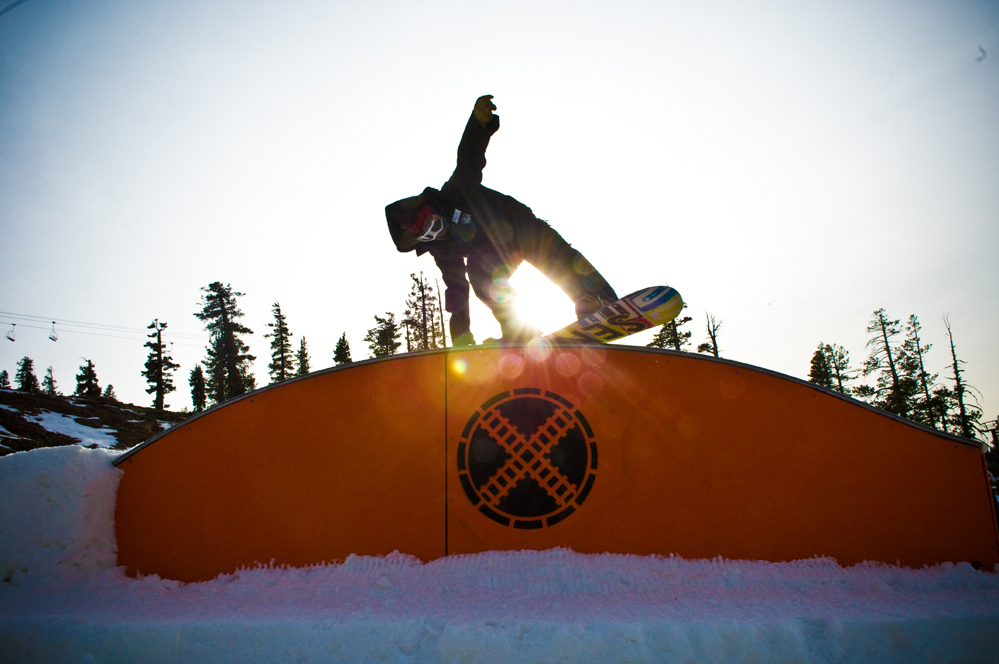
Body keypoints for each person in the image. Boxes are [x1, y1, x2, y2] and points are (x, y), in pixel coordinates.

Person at [385, 95, 617, 346]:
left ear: (431, 208)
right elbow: (456, 291)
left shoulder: (454, 193)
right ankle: (520, 331)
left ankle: (592, 296)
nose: (436, 232)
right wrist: (462, 338)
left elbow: (468, 160)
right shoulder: (442, 248)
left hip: (516, 224)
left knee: (548, 252)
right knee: (479, 274)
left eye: (433, 222)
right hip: (494, 252)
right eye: (428, 233)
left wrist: (478, 125)